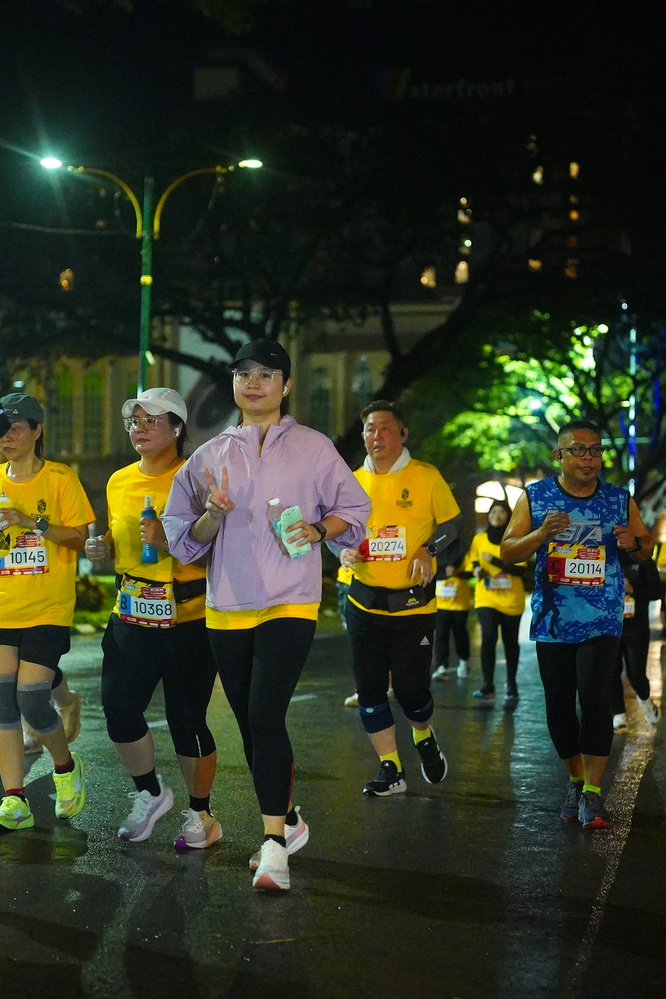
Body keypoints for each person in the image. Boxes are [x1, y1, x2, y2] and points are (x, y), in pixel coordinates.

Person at [162, 339, 369, 891]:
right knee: (252, 724)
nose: (254, 383)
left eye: (266, 374)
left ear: (286, 385)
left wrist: (319, 530)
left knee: (265, 715)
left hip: (289, 601)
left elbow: (354, 510)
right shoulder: (208, 456)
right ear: (234, 383)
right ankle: (290, 818)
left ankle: (274, 844)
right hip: (225, 609)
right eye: (244, 374)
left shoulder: (314, 448)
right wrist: (211, 515)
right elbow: (183, 538)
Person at [500, 420, 654, 831]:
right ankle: (575, 780)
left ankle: (592, 791)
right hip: (553, 619)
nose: (588, 458)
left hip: (602, 617)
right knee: (558, 706)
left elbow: (646, 544)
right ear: (559, 456)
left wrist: (634, 543)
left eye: (595, 450)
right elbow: (508, 550)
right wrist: (540, 534)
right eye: (578, 450)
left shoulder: (619, 499)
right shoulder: (536, 497)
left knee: (595, 697)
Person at [85, 388, 220, 851]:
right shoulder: (119, 480)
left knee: (187, 719)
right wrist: (101, 546)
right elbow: (118, 537)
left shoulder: (196, 480)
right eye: (134, 421)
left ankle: (202, 813)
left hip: (189, 618)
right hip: (132, 611)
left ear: (177, 428)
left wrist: (170, 543)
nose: (139, 429)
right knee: (118, 707)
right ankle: (149, 793)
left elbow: (222, 552)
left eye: (151, 421)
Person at [336, 400, 461, 797]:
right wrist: (342, 549)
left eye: (385, 428)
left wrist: (428, 549)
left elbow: (453, 525)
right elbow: (334, 531)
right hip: (363, 601)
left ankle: (423, 735)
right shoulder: (350, 482)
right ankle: (391, 768)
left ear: (403, 434)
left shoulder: (426, 476)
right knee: (370, 690)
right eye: (370, 429)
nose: (377, 436)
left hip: (412, 605)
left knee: (411, 691)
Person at [0, 392, 92, 832]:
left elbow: (80, 539)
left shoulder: (60, 478)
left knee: (31, 698)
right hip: (4, 608)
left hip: (48, 608)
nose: (7, 437)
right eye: (2, 429)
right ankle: (14, 796)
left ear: (37, 431)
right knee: (3, 700)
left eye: (17, 428)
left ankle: (65, 767)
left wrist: (30, 521)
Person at [468, 500, 526, 709]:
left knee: (510, 643)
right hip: (486, 597)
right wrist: (477, 570)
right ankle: (488, 686)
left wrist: (494, 561)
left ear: (508, 516)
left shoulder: (515, 540)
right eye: (493, 511)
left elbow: (519, 569)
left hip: (511, 599)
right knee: (489, 636)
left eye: (502, 512)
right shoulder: (479, 539)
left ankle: (511, 685)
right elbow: (474, 561)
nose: (497, 515)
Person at [611, 551, 662, 732]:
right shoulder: (607, 557)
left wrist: (632, 589)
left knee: (636, 674)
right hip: (610, 626)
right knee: (611, 671)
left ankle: (646, 701)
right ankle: (618, 714)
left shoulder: (644, 561)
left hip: (636, 628)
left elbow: (657, 592)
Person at [432, 544, 472, 681]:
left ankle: (464, 661)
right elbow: (431, 571)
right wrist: (444, 573)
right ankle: (441, 666)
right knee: (440, 635)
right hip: (440, 603)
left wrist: (457, 573)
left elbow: (471, 572)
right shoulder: (435, 551)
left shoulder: (463, 552)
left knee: (460, 634)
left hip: (459, 603)